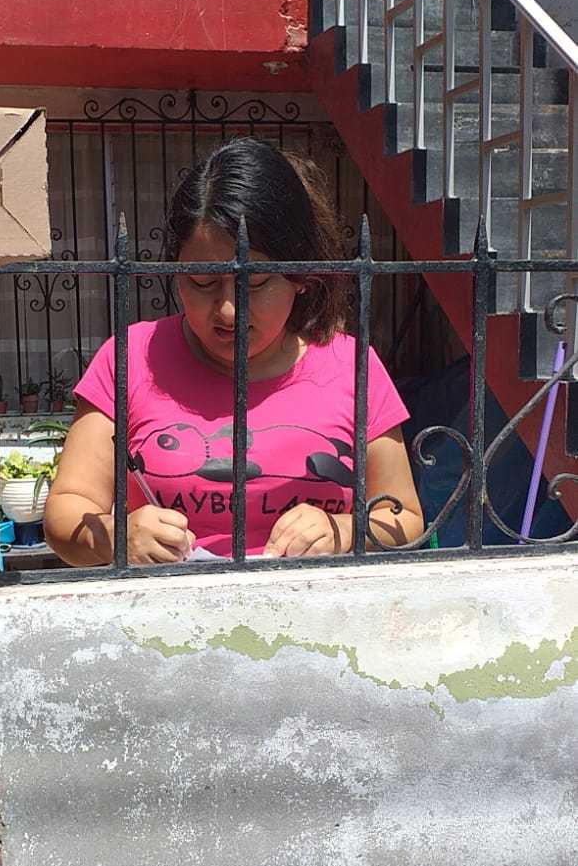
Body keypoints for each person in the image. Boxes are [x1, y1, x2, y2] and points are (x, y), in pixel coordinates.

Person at [44, 137, 424, 566]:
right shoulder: (131, 357)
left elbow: (406, 518)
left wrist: (343, 531)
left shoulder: (350, 364)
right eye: (202, 282)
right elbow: (66, 511)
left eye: (256, 284)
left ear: (301, 275)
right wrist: (119, 538)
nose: (228, 310)